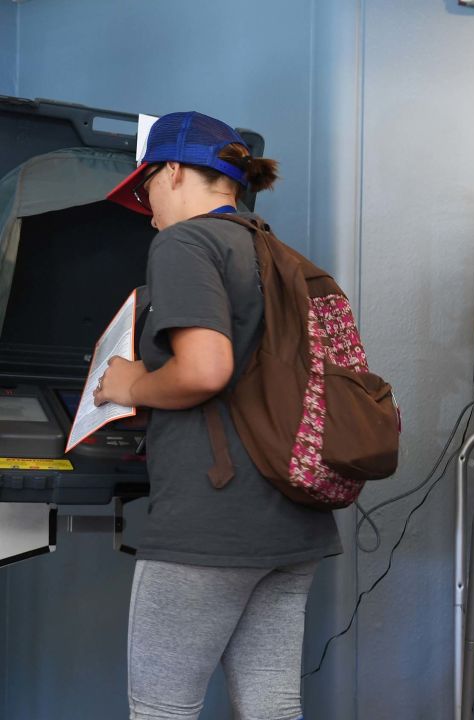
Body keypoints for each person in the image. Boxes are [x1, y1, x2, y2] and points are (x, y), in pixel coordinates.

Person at [97, 111, 341, 720]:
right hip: (291, 521)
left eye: (147, 185)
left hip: (210, 524)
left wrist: (133, 383)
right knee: (272, 706)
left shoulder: (185, 242)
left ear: (174, 172)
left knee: (162, 709)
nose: (148, 206)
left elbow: (207, 371)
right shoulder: (275, 251)